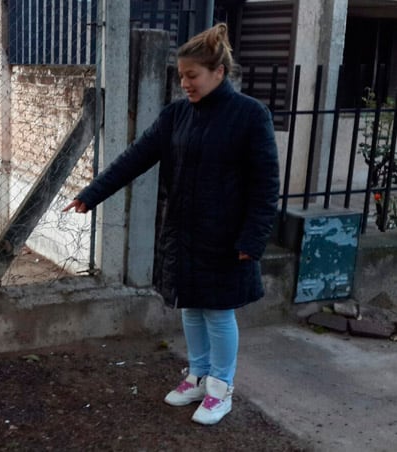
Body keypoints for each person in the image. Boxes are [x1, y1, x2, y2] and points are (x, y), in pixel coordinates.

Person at [63, 23, 280, 425]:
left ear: (218, 72)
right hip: (184, 230)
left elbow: (266, 185)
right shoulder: (176, 115)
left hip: (227, 237)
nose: (185, 83)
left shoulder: (251, 116)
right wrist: (91, 194)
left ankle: (220, 389)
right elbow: (135, 157)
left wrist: (254, 236)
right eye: (181, 75)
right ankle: (197, 376)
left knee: (217, 312)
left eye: (192, 75)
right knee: (190, 307)